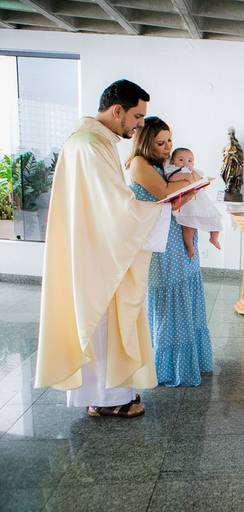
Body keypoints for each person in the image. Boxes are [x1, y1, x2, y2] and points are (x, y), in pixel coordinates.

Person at [34, 80, 194, 418]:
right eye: (137, 116)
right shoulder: (91, 146)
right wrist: (161, 209)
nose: (140, 125)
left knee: (104, 323)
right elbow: (117, 210)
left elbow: (108, 204)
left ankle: (109, 396)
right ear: (117, 110)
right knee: (103, 322)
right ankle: (108, 401)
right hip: (99, 252)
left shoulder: (90, 141)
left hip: (95, 245)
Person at [128, 117, 214, 387]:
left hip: (177, 234)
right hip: (161, 242)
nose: (167, 148)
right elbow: (166, 192)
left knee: (187, 292)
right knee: (168, 300)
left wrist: (190, 185)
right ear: (145, 142)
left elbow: (179, 194)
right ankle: (171, 368)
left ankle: (194, 361)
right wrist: (191, 182)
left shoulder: (161, 164)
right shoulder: (139, 164)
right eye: (161, 143)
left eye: (170, 142)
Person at [165, 147, 223, 258]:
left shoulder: (196, 171)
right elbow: (171, 178)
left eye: (190, 161)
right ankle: (190, 246)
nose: (186, 163)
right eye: (181, 160)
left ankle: (214, 237)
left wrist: (203, 181)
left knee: (215, 218)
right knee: (189, 226)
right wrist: (186, 176)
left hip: (201, 202)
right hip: (188, 203)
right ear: (173, 161)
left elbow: (201, 182)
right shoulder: (174, 171)